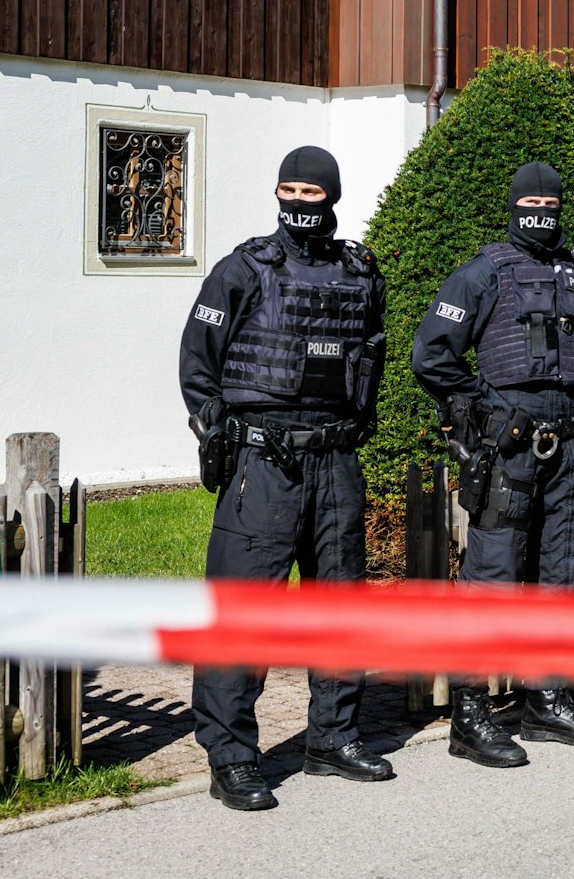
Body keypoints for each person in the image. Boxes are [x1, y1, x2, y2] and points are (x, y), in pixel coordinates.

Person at [179, 147, 390, 812]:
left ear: (331, 196)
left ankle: (331, 737)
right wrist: (223, 433)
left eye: (312, 190)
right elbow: (196, 364)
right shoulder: (242, 268)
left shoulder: (361, 271)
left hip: (334, 462)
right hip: (264, 464)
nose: (300, 200)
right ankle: (232, 755)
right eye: (289, 188)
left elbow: (373, 352)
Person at [412, 161, 574, 767]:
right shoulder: (482, 273)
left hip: (573, 449)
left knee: (562, 575)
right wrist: (478, 412)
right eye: (530, 202)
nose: (541, 212)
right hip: (511, 449)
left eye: (550, 203)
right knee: (492, 577)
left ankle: (546, 698)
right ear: (512, 206)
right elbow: (432, 355)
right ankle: (470, 715)